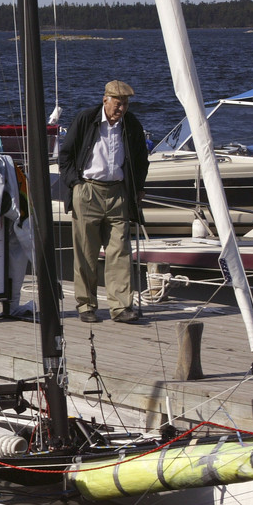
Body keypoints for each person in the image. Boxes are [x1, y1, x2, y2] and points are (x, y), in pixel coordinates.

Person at [58, 80, 149, 323]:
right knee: (86, 252)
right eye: (118, 104)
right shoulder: (86, 119)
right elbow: (65, 154)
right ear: (105, 100)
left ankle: (120, 307)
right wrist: (75, 184)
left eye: (126, 104)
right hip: (88, 190)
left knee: (119, 251)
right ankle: (86, 305)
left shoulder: (131, 125)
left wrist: (138, 188)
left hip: (118, 192)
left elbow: (141, 159)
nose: (122, 109)